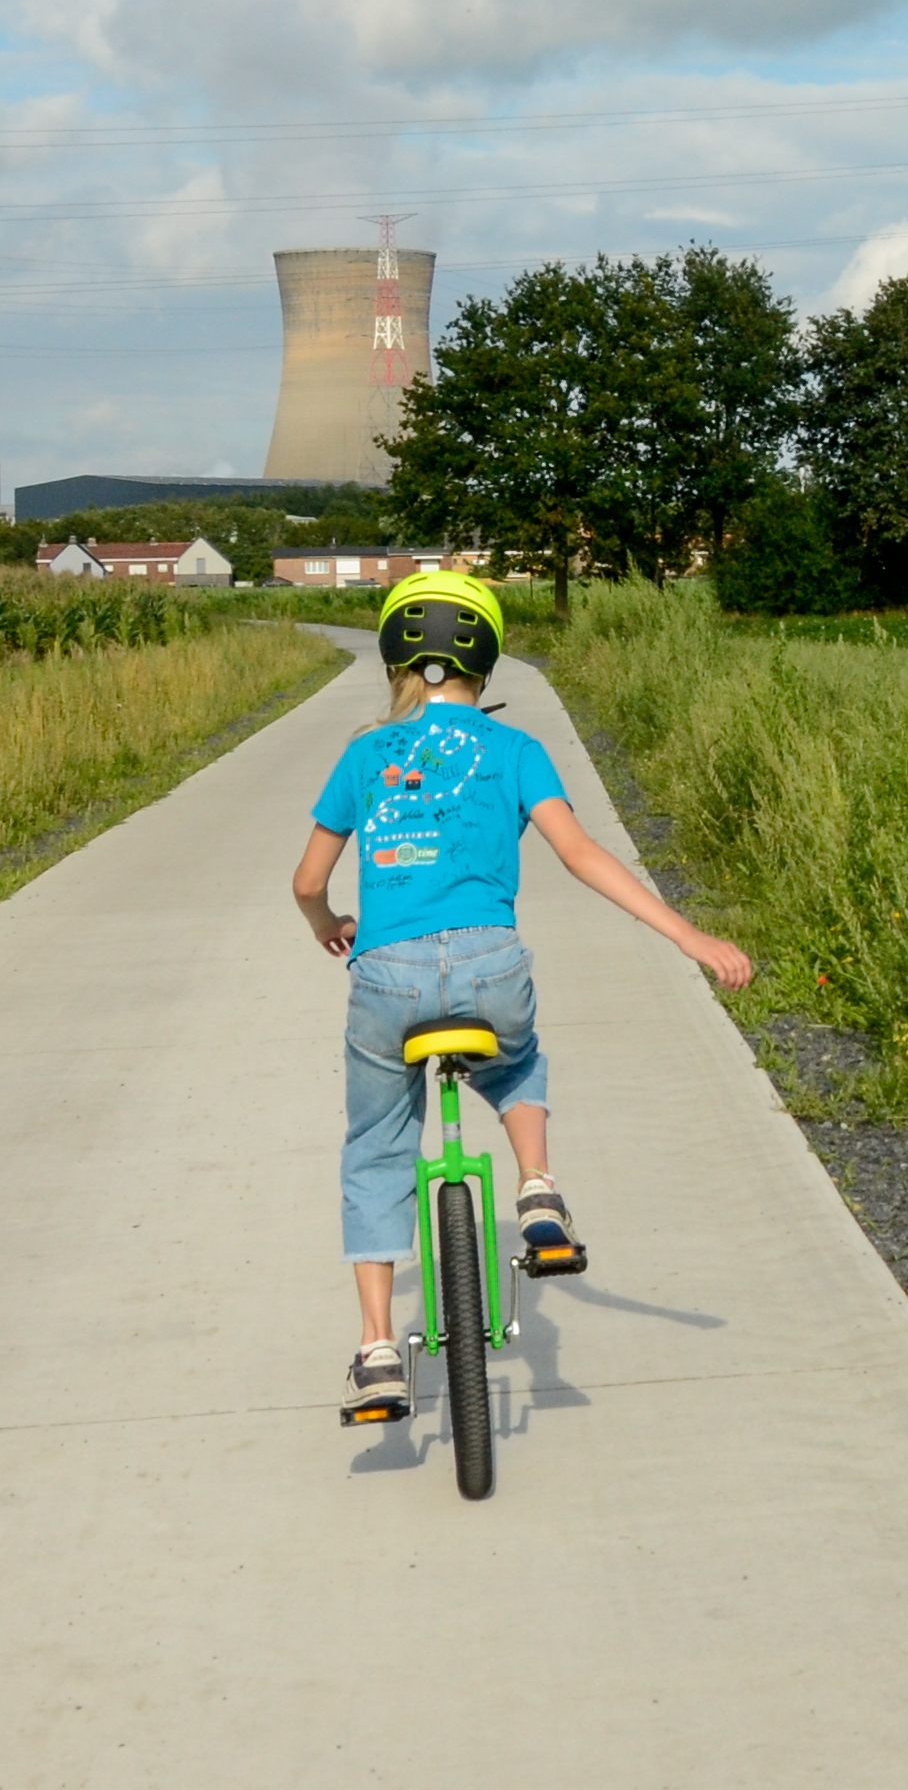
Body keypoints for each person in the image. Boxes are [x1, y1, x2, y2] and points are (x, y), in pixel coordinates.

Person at [291, 567, 753, 1413]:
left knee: (377, 1149)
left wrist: (329, 922)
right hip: (489, 969)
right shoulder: (516, 751)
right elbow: (581, 856)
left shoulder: (363, 756)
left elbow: (307, 880)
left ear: (394, 653)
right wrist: (689, 935)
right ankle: (536, 1183)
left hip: (387, 981)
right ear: (488, 656)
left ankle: (377, 1350)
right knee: (517, 1059)